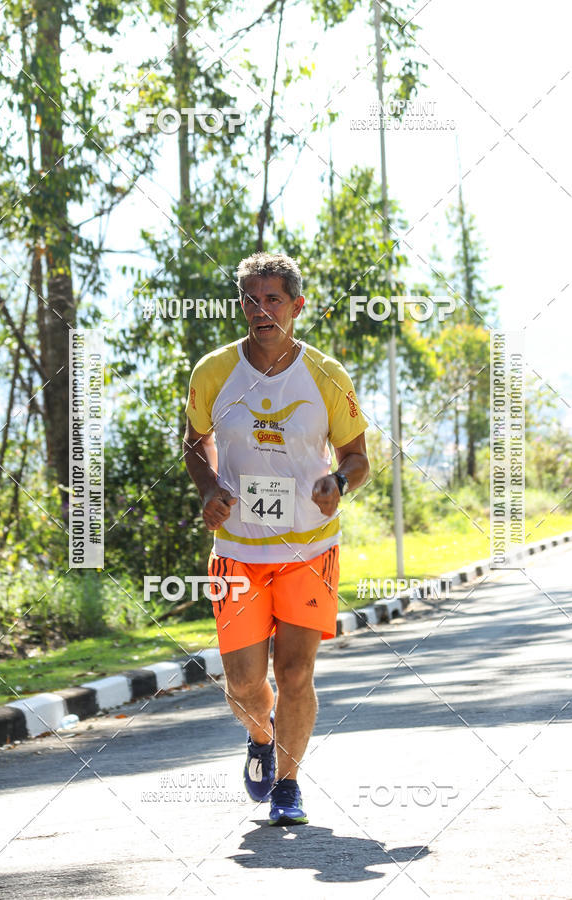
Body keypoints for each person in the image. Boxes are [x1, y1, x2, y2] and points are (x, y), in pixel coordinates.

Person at [183, 252, 369, 825]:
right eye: (251, 300)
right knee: (242, 684)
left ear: (296, 305)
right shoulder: (213, 371)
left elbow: (359, 458)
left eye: (273, 300)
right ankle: (261, 737)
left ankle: (288, 784)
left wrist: (337, 481)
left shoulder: (327, 375)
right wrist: (210, 488)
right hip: (238, 551)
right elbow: (194, 445)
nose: (261, 311)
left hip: (309, 549)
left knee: (294, 674)